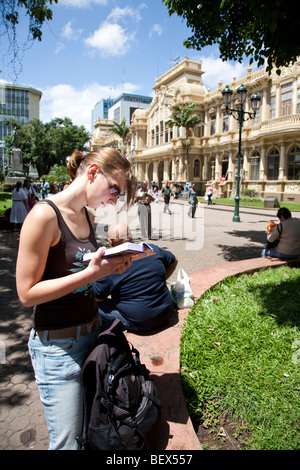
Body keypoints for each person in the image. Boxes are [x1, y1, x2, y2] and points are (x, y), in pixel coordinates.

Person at [16, 148, 137, 450]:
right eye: (114, 189)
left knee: (94, 429)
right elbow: (26, 293)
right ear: (93, 172)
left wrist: (114, 263)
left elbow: (84, 268)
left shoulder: (88, 214)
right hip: (58, 349)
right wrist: (92, 274)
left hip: (92, 334)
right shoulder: (44, 216)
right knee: (68, 443)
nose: (114, 199)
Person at [94, 222, 178, 332]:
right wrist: (161, 279)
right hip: (166, 312)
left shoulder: (109, 265)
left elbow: (98, 298)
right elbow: (174, 260)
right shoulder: (151, 249)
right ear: (131, 235)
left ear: (110, 241)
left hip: (139, 322)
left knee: (93, 305)